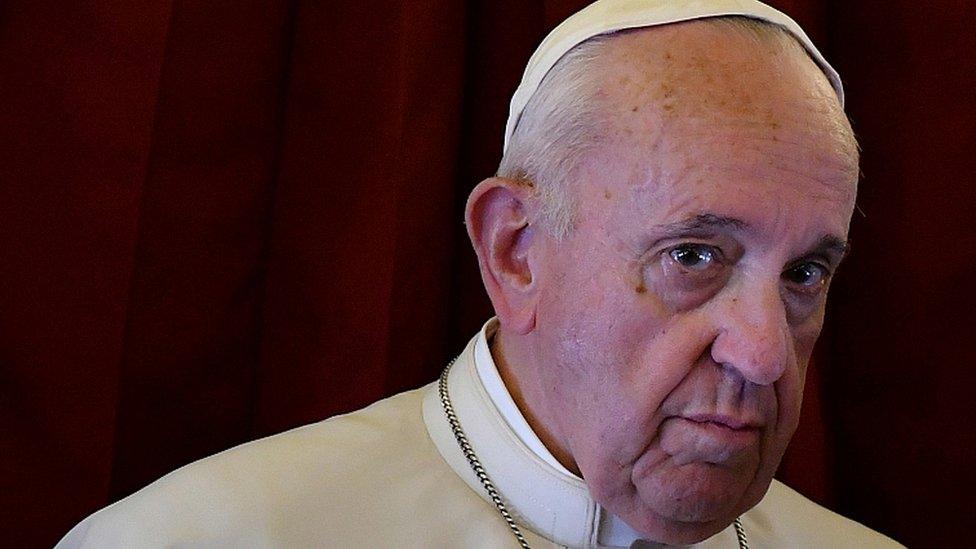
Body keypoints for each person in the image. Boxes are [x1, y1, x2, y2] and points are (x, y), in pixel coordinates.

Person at [57, 1, 903, 547]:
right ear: (515, 251)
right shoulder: (198, 538)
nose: (763, 355)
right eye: (692, 256)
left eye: (804, 273)